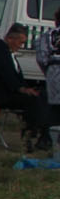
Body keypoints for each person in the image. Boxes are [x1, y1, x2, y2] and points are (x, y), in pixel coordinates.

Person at [0, 23, 50, 152]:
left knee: (43, 96)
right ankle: (30, 133)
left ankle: (44, 135)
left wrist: (29, 88)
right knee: (32, 101)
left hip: (11, 92)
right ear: (10, 39)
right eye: (20, 42)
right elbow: (5, 73)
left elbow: (17, 78)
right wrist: (21, 89)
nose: (21, 46)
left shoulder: (9, 53)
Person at [36, 10, 60, 150]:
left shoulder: (49, 35)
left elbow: (41, 57)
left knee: (55, 108)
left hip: (55, 72)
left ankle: (47, 139)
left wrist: (48, 71)